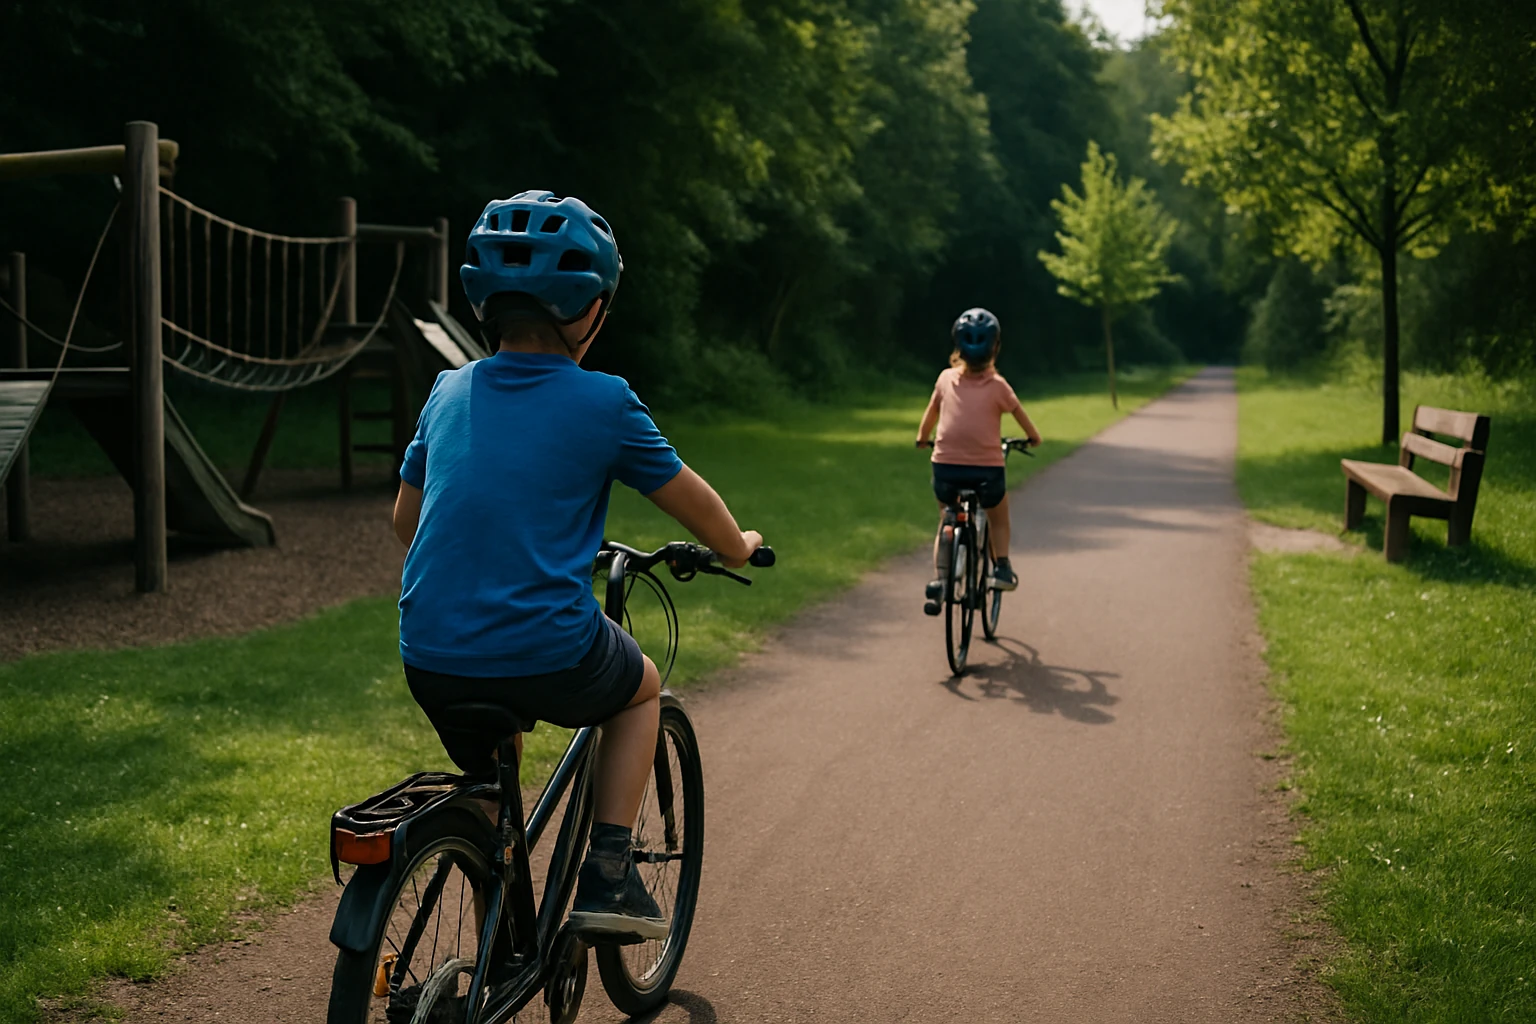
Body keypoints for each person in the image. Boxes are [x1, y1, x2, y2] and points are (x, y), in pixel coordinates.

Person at [390, 190, 762, 942]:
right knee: (638, 692)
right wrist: (736, 547)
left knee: (495, 778)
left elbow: (408, 520)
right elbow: (693, 502)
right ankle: (610, 874)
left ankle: (491, 886)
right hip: (547, 648)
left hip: (428, 651)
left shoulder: (448, 389)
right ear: (589, 309)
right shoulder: (604, 402)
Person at [914, 308, 1040, 616]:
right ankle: (1002, 568)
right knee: (998, 514)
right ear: (995, 347)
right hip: (987, 472)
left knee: (947, 516)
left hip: (945, 467)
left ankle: (941, 580)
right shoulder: (998, 386)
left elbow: (931, 415)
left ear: (957, 346)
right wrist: (1033, 438)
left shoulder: (945, 379)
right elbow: (1026, 424)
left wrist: (922, 438)